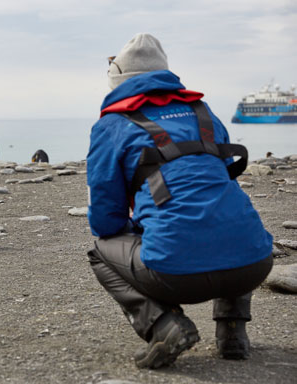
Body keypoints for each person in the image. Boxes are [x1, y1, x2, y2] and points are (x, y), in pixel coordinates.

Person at [86, 33, 273, 369]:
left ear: (117, 80)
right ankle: (232, 330)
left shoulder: (112, 125)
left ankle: (164, 325)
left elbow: (105, 219)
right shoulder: (202, 111)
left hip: (175, 275)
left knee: (100, 249)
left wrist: (144, 224)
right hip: (254, 265)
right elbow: (220, 178)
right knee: (225, 215)